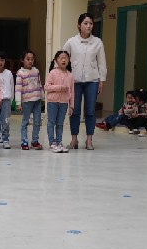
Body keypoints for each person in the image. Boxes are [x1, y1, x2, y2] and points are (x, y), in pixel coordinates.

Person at [64, 13, 107, 150]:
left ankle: (89, 140)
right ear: (79, 25)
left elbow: (102, 62)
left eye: (91, 23)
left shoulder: (98, 42)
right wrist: (63, 76)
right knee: (74, 110)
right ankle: (74, 139)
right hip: (75, 80)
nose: (89, 26)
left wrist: (102, 80)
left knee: (90, 111)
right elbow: (62, 59)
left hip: (92, 80)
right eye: (85, 23)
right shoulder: (71, 42)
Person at [44, 49, 74, 152]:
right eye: (61, 58)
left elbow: (72, 92)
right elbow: (46, 87)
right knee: (51, 122)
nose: (63, 60)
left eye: (66, 58)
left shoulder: (70, 75)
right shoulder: (52, 73)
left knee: (60, 123)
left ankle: (59, 142)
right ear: (56, 60)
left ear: (69, 60)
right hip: (52, 102)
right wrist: (59, 88)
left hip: (64, 103)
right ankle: (52, 143)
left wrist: (71, 106)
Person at [15, 50, 44, 150]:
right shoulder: (20, 73)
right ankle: (24, 141)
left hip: (37, 100)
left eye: (32, 59)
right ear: (22, 60)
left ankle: (35, 141)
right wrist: (18, 103)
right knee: (25, 121)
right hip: (26, 101)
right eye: (28, 59)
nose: (30, 61)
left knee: (37, 121)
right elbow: (18, 89)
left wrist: (42, 96)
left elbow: (40, 84)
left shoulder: (36, 71)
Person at [0, 52, 15, 149]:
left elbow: (11, 87)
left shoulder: (8, 73)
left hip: (6, 99)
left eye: (2, 60)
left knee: (6, 120)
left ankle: (5, 138)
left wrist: (11, 100)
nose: (0, 63)